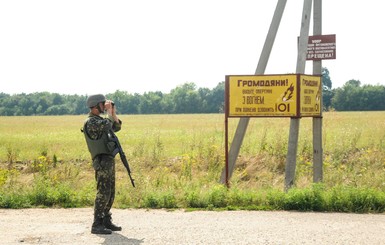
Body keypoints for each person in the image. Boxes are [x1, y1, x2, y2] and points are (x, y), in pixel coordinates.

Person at [82, 94, 122, 235]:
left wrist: (113, 112)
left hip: (108, 159)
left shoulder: (100, 120)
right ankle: (97, 224)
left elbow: (116, 126)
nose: (104, 106)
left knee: (110, 191)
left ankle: (106, 220)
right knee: (103, 192)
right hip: (101, 160)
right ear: (95, 106)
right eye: (102, 104)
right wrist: (109, 112)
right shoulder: (91, 122)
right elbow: (107, 125)